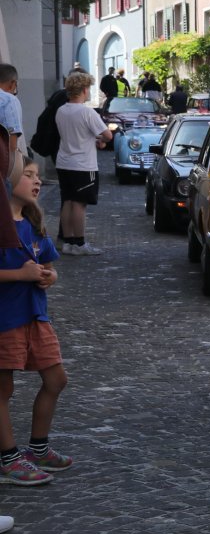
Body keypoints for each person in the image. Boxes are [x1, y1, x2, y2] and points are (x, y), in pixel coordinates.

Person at [0, 159, 67, 488]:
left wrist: (49, 277)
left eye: (38, 176)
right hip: (5, 319)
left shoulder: (33, 223)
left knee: (56, 379)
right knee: (3, 389)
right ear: (8, 181)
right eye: (28, 175)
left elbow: (49, 267)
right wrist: (20, 275)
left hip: (36, 317)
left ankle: (38, 449)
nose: (37, 181)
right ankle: (8, 458)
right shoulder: (3, 228)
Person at [54, 72, 112, 255]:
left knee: (67, 201)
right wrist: (100, 140)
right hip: (83, 165)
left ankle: (68, 242)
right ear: (85, 90)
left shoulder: (61, 110)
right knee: (79, 204)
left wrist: (93, 139)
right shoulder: (87, 112)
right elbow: (108, 135)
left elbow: (75, 134)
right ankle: (79, 244)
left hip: (64, 162)